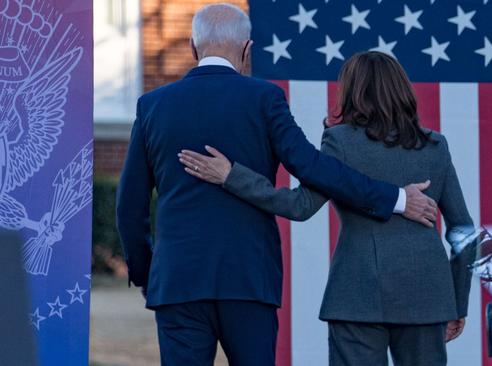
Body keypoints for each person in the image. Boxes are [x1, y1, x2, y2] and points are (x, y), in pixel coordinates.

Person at [116, 4, 438, 366]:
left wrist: (146, 272)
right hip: (250, 278)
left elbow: (129, 207)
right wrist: (394, 198)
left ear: (193, 47)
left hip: (178, 280)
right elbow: (314, 168)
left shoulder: (152, 106)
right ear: (247, 49)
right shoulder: (264, 98)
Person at [179, 51, 477, 366]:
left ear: (351, 91)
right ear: (403, 90)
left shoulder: (340, 141)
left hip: (357, 296)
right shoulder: (435, 146)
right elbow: (464, 233)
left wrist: (232, 175)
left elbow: (299, 205)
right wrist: (457, 303)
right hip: (428, 297)